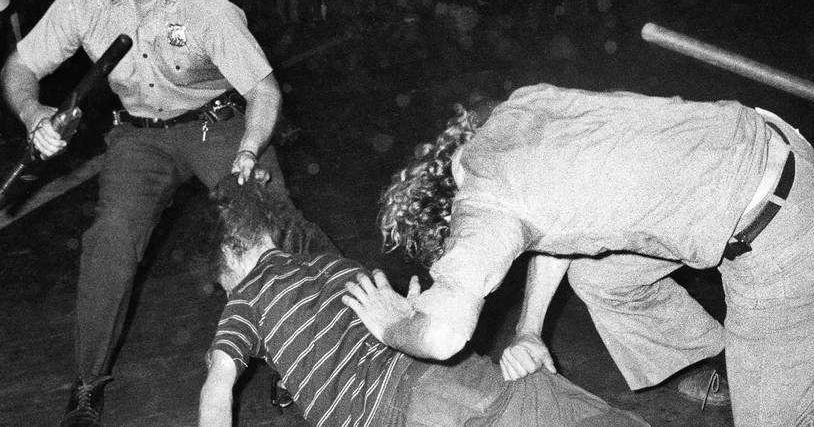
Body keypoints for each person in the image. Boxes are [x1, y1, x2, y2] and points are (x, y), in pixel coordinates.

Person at [343, 84, 814, 427]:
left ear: (451, 218)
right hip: (770, 146)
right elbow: (546, 226)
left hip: (780, 236)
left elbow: (442, 333)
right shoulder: (516, 114)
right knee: (600, 274)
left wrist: (391, 325)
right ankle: (733, 361)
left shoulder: (485, 208)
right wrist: (528, 330)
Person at [0, 0, 330, 426]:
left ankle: (296, 360)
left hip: (220, 126)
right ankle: (86, 384)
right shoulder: (84, 2)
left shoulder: (209, 10)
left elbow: (263, 90)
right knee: (109, 240)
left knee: (275, 234)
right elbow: (20, 66)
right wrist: (33, 114)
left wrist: (249, 150)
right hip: (139, 136)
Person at [199, 175, 649, 427]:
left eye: (223, 283)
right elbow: (403, 325)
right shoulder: (332, 266)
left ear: (230, 255)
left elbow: (218, 387)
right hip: (446, 370)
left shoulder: (245, 300)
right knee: (550, 408)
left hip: (386, 415)